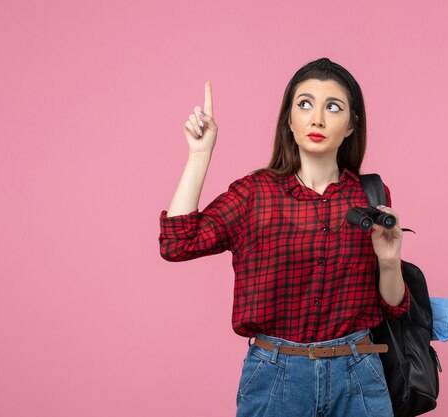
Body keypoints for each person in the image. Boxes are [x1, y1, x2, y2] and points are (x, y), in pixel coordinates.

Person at [158, 57, 410, 417]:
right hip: (276, 377)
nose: (317, 118)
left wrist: (389, 262)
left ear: (352, 124)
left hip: (358, 374)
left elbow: (393, 306)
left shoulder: (371, 195)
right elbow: (177, 243)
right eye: (304, 104)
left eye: (333, 107)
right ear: (289, 120)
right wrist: (200, 154)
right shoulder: (255, 194)